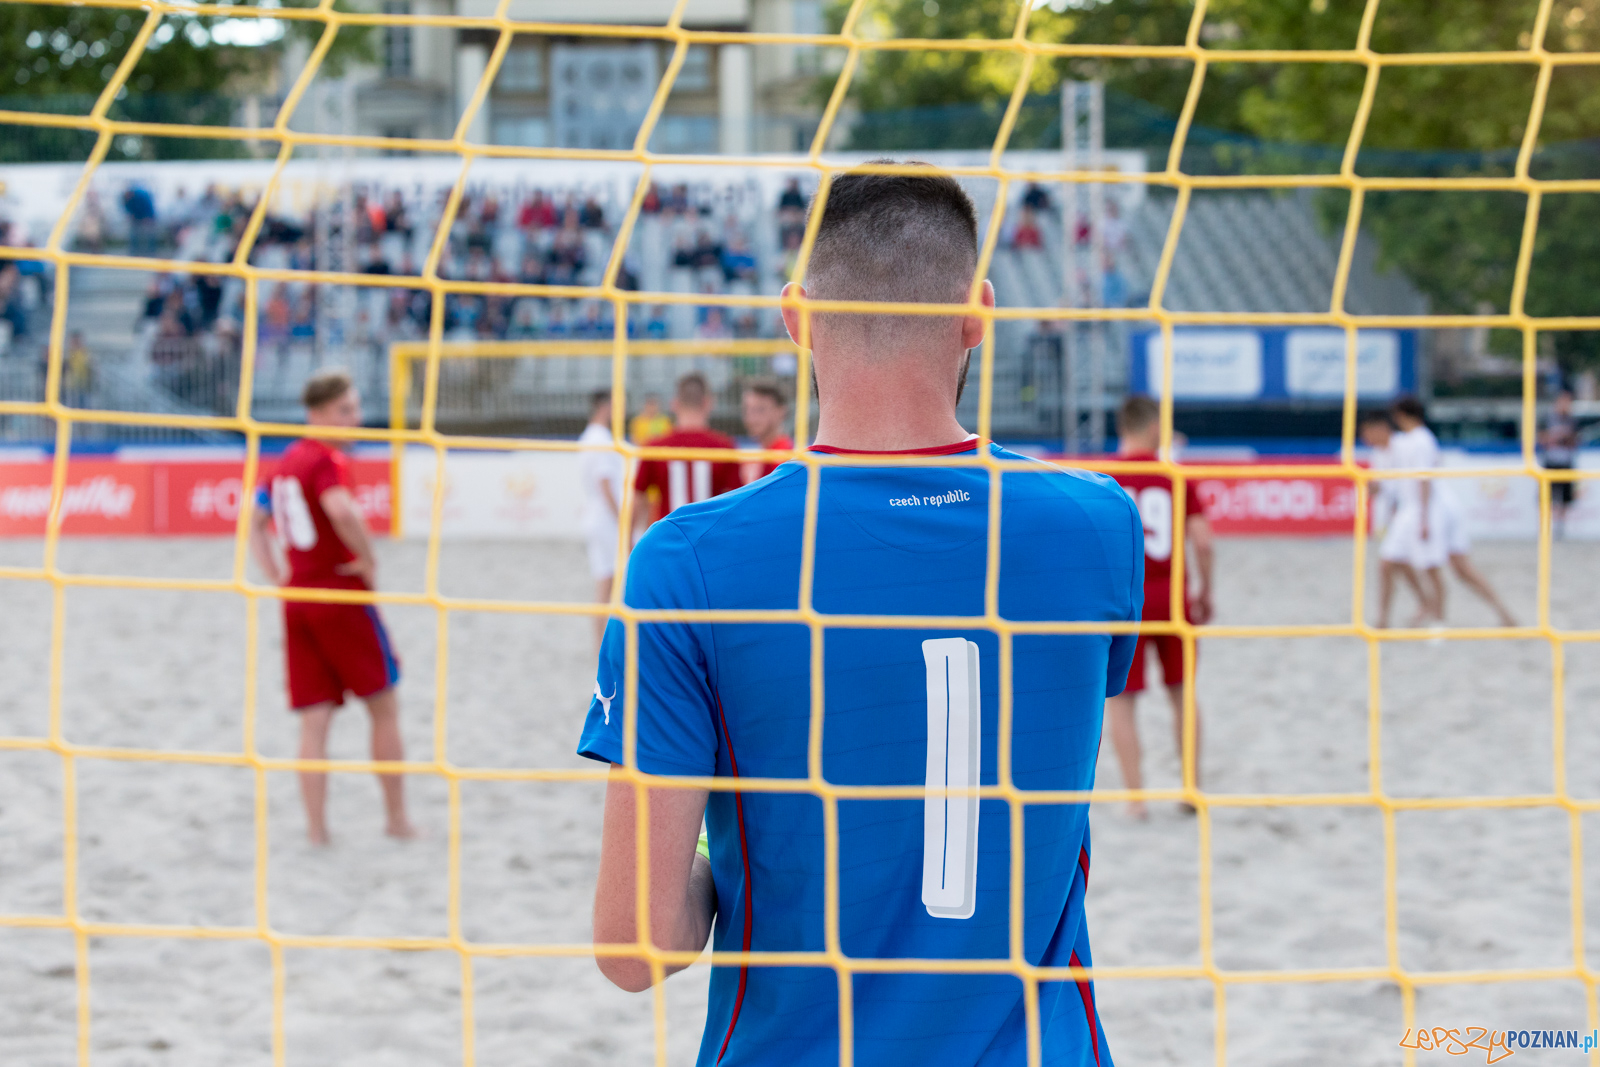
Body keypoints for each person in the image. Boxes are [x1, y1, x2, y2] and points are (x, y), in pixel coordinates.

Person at [579, 162, 1141, 1066]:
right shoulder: (1096, 527)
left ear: (794, 316)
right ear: (979, 314)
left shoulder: (687, 563)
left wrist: (742, 866)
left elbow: (633, 946)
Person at [249, 369, 416, 845]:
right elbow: (341, 509)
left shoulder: (283, 463)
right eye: (346, 410)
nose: (356, 419)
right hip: (338, 595)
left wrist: (278, 576)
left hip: (297, 598)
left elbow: (255, 523)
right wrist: (367, 557)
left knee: (314, 721)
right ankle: (397, 820)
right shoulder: (326, 459)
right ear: (317, 414)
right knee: (384, 707)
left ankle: (318, 831)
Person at [1105, 395, 1213, 820]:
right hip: (1172, 596)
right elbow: (1203, 541)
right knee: (1182, 694)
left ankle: (1136, 799)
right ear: (1155, 429)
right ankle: (1189, 786)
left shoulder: (1105, 479)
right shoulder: (1174, 476)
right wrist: (1206, 588)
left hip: (1127, 600)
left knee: (1123, 702)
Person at [1373, 405, 1517, 628]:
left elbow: (1424, 480)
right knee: (1405, 562)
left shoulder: (1417, 440)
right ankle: (1498, 612)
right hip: (1427, 508)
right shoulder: (1407, 442)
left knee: (1436, 566)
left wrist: (1423, 518)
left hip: (1430, 509)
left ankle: (1437, 617)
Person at [630, 372, 741, 534]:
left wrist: (629, 549)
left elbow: (635, 504)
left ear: (674, 404)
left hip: (667, 543)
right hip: (708, 545)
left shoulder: (654, 447)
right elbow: (737, 504)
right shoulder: (724, 447)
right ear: (708, 403)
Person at [578, 389, 626, 647]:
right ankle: (611, 647)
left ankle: (600, 647)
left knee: (603, 585)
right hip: (607, 518)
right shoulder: (603, 438)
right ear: (605, 406)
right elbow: (605, 482)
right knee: (619, 583)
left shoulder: (587, 436)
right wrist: (623, 520)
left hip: (594, 514)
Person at [1541, 387, 1580, 539]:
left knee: (1565, 497)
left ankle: (1559, 528)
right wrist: (1555, 435)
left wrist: (1566, 435)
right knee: (1546, 497)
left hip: (1566, 461)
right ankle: (1546, 528)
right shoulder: (1547, 419)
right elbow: (1541, 439)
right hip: (1550, 461)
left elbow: (1575, 441)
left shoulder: (1572, 420)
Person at [738, 378, 794, 484]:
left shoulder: (783, 459)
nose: (751, 417)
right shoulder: (760, 455)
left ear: (781, 411)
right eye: (747, 409)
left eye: (760, 409)